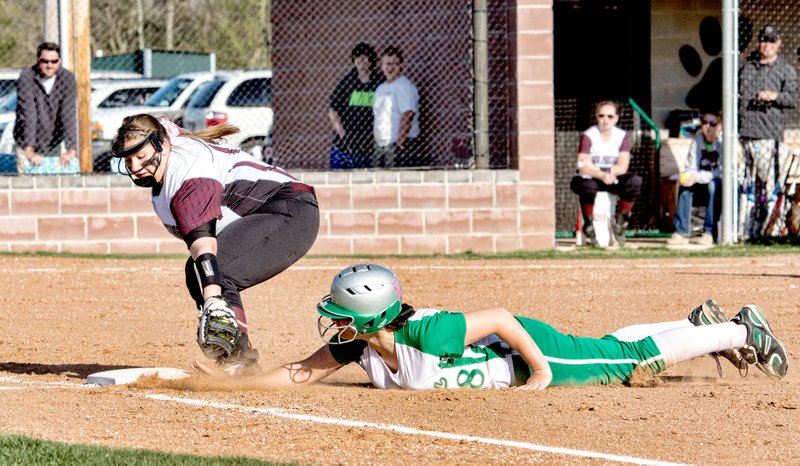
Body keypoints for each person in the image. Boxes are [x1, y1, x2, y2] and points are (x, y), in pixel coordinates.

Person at [193, 263, 788, 390]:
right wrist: (227, 384)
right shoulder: (356, 349)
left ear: (373, 316)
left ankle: (742, 332)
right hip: (509, 354)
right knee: (615, 346)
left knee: (617, 361)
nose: (333, 321)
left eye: (343, 311)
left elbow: (502, 317)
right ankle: (697, 323)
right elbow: (296, 375)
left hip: (524, 351)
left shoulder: (430, 333)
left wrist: (542, 370)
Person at [111, 114, 319, 375]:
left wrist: (212, 300)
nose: (135, 166)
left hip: (290, 211)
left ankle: (240, 365)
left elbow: (203, 245)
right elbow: (165, 125)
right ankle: (233, 358)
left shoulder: (186, 172)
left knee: (218, 271)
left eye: (141, 156)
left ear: (162, 144)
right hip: (274, 210)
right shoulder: (169, 155)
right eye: (128, 160)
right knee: (195, 272)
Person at [738, 24, 798, 241]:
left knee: (770, 185)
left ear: (779, 43)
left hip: (768, 135)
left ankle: (773, 230)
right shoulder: (748, 67)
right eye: (763, 40)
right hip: (745, 134)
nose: (766, 45)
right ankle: (744, 232)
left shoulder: (785, 70)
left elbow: (792, 99)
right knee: (746, 186)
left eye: (771, 41)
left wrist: (774, 96)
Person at [570, 101, 642, 246]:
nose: (605, 120)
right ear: (596, 117)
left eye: (610, 116)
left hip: (610, 177)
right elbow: (582, 166)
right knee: (587, 186)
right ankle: (589, 226)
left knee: (634, 182)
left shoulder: (621, 136)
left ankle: (621, 225)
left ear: (616, 118)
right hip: (591, 178)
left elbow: (622, 166)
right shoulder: (589, 135)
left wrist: (604, 171)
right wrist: (601, 174)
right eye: (601, 116)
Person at [13, 42, 77, 174]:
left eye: (54, 61)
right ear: (38, 61)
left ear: (59, 61)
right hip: (25, 141)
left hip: (53, 142)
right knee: (26, 184)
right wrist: (29, 149)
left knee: (51, 183)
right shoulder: (26, 77)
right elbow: (28, 113)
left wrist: (71, 149)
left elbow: (68, 113)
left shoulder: (67, 79)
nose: (49, 65)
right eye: (45, 61)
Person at [667, 112, 723, 246]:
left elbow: (721, 171)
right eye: (704, 123)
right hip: (702, 180)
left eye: (712, 123)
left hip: (718, 183)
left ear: (719, 126)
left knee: (713, 186)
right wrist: (689, 176)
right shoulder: (697, 141)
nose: (707, 127)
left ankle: (709, 232)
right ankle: (681, 232)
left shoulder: (723, 142)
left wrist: (697, 177)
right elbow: (691, 165)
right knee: (685, 185)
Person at [328, 42, 383, 170]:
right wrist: (342, 134)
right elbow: (332, 110)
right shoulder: (348, 81)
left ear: (371, 60)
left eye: (364, 57)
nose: (360, 60)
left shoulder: (379, 82)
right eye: (357, 57)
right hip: (344, 146)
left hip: (367, 146)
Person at [372, 46, 420, 168]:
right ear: (382, 66)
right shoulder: (380, 88)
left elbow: (407, 114)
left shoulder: (404, 86)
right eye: (387, 64)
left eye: (394, 64)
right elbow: (377, 117)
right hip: (381, 145)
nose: (390, 68)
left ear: (401, 66)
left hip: (398, 145)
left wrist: (400, 141)